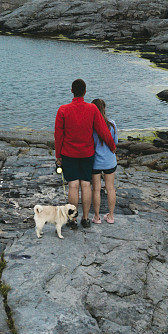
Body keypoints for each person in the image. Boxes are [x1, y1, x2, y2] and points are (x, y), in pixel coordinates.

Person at [54, 79, 116, 228]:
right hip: (87, 154)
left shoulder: (63, 109)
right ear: (85, 91)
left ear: (71, 91)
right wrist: (112, 146)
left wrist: (58, 156)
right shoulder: (92, 109)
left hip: (69, 153)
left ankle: (73, 220)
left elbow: (58, 135)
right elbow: (103, 130)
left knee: (73, 185)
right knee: (86, 185)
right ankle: (86, 218)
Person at [90, 98, 117, 224]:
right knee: (110, 188)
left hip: (95, 162)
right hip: (109, 161)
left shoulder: (91, 125)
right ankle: (110, 216)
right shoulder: (112, 124)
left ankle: (96, 217)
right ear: (104, 109)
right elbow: (115, 143)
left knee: (96, 189)